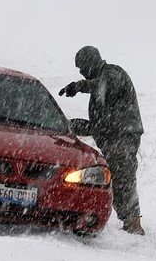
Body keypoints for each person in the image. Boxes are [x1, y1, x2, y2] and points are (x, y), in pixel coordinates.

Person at [59, 46, 145, 235]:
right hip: (113, 137)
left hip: (123, 137)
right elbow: (99, 125)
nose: (81, 71)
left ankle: (132, 224)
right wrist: (65, 125)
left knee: (123, 178)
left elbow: (105, 85)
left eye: (82, 67)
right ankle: (129, 221)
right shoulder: (99, 86)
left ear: (91, 62)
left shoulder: (113, 73)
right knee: (113, 180)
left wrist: (79, 86)